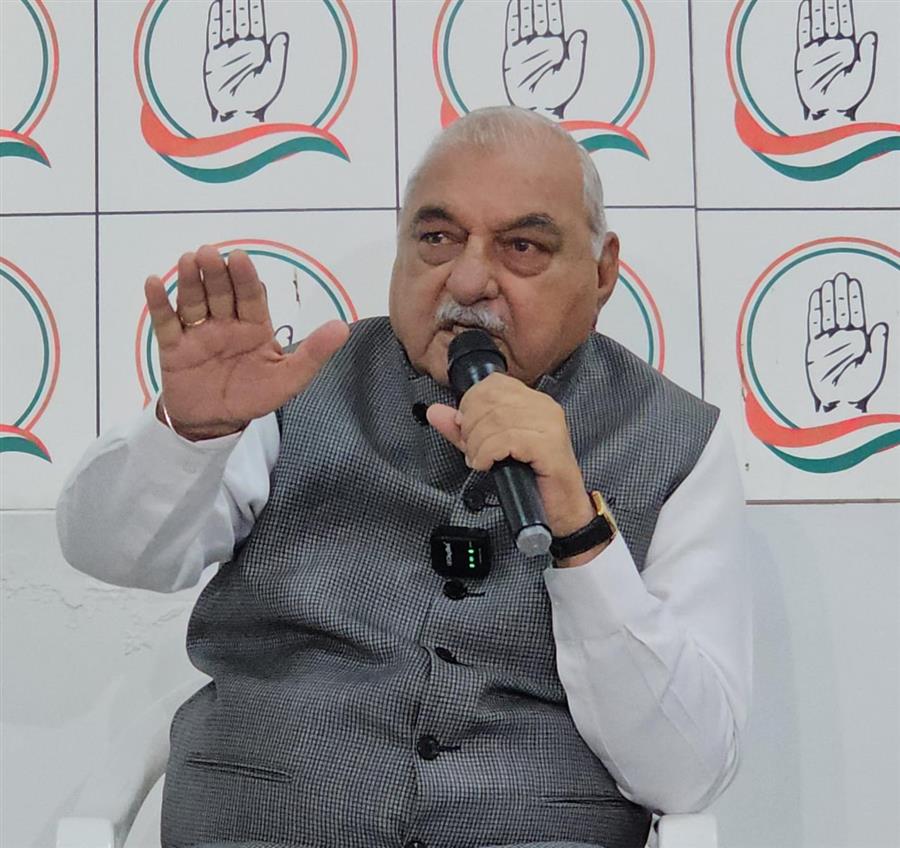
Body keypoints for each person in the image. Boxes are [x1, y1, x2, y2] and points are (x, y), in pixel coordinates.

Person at [57, 106, 751, 848]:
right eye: (437, 238)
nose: (470, 280)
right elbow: (113, 553)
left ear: (603, 270)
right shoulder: (296, 385)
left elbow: (688, 772)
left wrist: (580, 534)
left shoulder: (679, 442)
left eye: (521, 246)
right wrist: (190, 433)